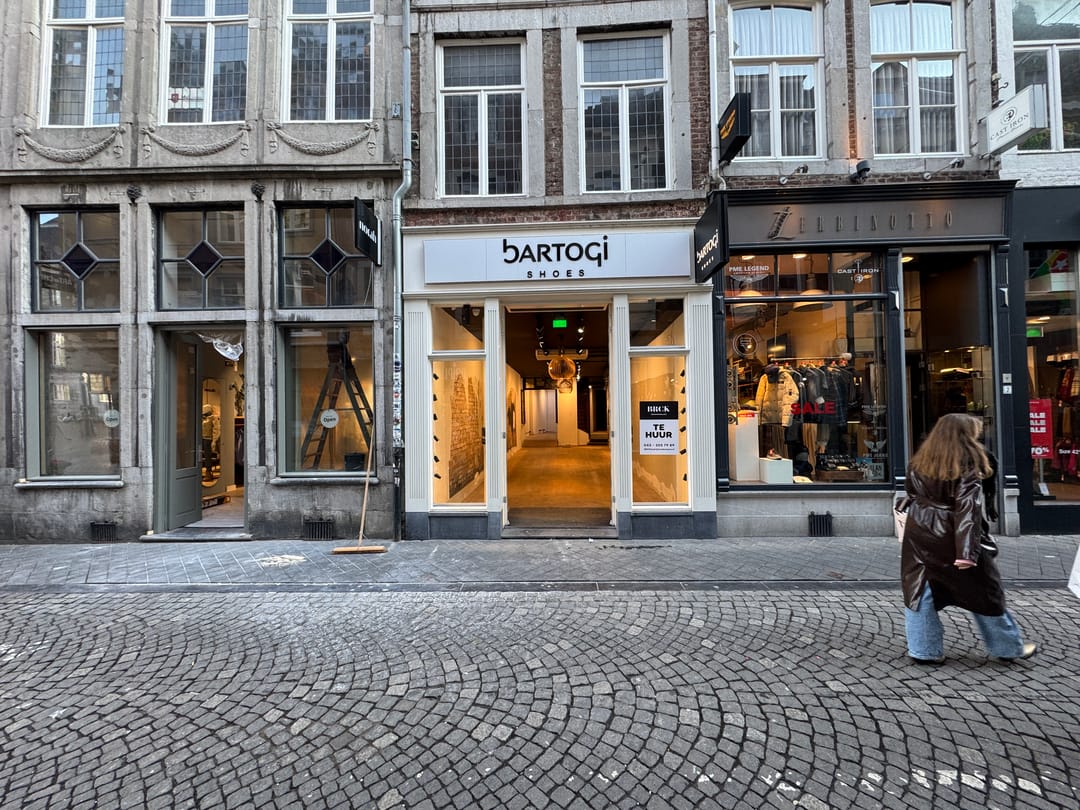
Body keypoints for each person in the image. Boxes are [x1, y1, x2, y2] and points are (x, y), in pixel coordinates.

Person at [900, 413, 1037, 664]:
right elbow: (967, 510)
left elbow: (911, 491)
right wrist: (966, 553)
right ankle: (1007, 646)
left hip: (919, 530)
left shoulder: (920, 460)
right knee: (985, 590)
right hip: (950, 532)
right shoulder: (966, 463)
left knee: (919, 588)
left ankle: (923, 650)